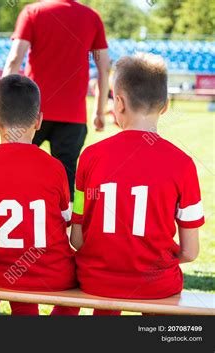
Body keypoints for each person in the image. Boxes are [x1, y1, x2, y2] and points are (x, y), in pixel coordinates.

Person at [70, 54, 204, 315]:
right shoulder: (183, 163)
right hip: (156, 285)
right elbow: (190, 252)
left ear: (118, 103)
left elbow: (77, 238)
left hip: (97, 281)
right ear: (164, 106)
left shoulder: (89, 157)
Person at [0, 75, 77, 315]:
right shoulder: (55, 167)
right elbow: (64, 222)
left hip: (4, 273)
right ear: (39, 121)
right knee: (83, 279)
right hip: (55, 274)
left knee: (19, 280)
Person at [3, 0, 111, 201]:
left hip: (31, 112)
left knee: (17, 171)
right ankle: (66, 229)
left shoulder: (33, 11)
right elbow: (104, 67)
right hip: (73, 116)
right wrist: (99, 111)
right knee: (66, 182)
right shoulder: (91, 17)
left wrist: (2, 106)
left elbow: (14, 60)